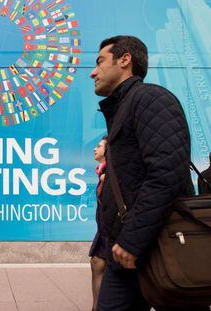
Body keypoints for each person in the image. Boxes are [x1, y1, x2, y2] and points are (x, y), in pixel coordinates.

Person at [90, 36, 208, 311]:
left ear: (125, 60)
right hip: (128, 255)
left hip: (161, 248)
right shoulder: (123, 109)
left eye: (99, 62)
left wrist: (132, 240)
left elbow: (167, 173)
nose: (93, 72)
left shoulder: (150, 98)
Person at [89, 136, 108, 311]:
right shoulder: (102, 173)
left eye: (99, 146)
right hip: (104, 229)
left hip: (109, 230)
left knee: (98, 263)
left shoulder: (109, 174)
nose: (95, 149)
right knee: (96, 263)